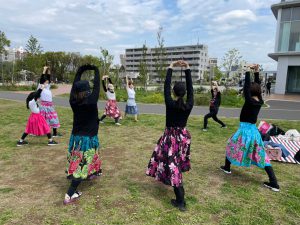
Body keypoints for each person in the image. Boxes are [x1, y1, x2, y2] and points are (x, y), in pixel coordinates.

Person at [220, 64, 280, 192]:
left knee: (231, 144)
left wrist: (247, 71)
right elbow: (255, 87)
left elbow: (247, 87)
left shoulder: (249, 101)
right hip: (253, 131)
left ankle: (227, 167)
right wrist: (257, 72)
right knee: (261, 155)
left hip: (245, 131)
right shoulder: (259, 100)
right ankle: (274, 182)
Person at [146, 60, 193, 211]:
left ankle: (181, 201)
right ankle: (180, 198)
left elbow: (165, 87)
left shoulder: (170, 103)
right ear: (184, 93)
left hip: (171, 138)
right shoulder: (189, 104)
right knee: (175, 164)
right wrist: (187, 70)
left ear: (173, 93)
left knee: (174, 168)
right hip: (183, 138)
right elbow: (191, 90)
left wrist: (170, 68)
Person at [64, 64, 102, 205]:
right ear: (87, 91)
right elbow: (97, 86)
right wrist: (96, 70)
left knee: (82, 159)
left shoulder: (73, 101)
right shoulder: (91, 102)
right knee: (81, 165)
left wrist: (80, 71)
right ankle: (70, 193)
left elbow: (74, 87)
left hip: (77, 137)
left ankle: (90, 174)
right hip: (87, 138)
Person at [38, 66, 61, 137]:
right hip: (44, 107)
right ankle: (40, 131)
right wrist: (44, 70)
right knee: (43, 120)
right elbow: (42, 79)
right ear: (43, 82)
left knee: (53, 119)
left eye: (48, 81)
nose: (48, 82)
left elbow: (49, 78)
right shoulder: (40, 87)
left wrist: (48, 71)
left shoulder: (47, 87)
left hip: (50, 106)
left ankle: (54, 133)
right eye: (46, 81)